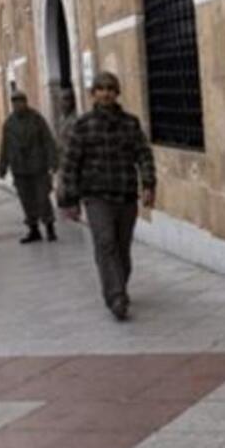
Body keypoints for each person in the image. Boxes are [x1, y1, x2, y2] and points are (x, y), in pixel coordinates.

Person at [59, 72, 156, 320]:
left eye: (111, 88)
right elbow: (70, 164)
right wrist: (68, 199)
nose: (106, 93)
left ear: (117, 93)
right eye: (100, 88)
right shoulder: (83, 125)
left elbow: (143, 154)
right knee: (105, 243)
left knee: (122, 248)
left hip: (125, 195)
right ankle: (115, 296)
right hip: (96, 197)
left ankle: (119, 286)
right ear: (93, 93)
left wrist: (148, 184)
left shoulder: (130, 124)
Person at [0, 91, 59, 243]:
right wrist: (2, 165)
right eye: (15, 102)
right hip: (19, 168)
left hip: (38, 166)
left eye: (20, 101)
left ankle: (50, 227)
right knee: (26, 200)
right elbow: (5, 146)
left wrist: (53, 161)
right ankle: (33, 229)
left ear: (26, 102)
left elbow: (48, 141)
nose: (18, 105)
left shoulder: (37, 119)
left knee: (43, 198)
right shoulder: (9, 123)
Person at [55, 87, 79, 208]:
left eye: (67, 99)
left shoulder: (75, 119)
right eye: (62, 99)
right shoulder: (62, 119)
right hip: (63, 161)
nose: (64, 103)